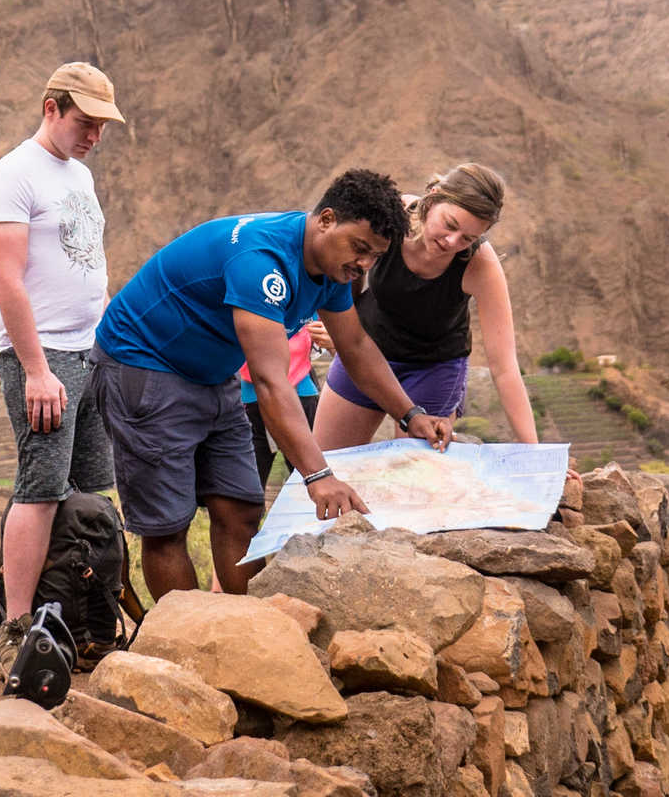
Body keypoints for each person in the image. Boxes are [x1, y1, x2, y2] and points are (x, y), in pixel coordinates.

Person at [87, 169, 455, 598]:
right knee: (169, 526)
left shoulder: (333, 270)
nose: (364, 265)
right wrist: (317, 474)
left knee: (240, 511)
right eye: (359, 249)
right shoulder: (261, 260)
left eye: (374, 256)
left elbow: (354, 345)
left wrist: (410, 414)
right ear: (326, 220)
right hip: (144, 367)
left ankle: (243, 629)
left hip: (211, 373)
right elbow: (269, 380)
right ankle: (184, 644)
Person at [0, 63, 124, 675]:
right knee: (40, 489)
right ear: (51, 107)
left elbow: (89, 259)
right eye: (84, 121)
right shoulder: (14, 173)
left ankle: (78, 613)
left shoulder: (81, 175)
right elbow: (5, 278)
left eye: (100, 125)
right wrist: (38, 369)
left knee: (89, 488)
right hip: (42, 354)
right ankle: (19, 626)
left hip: (89, 349)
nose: (93, 134)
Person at [313, 163, 539, 449]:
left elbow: (504, 366)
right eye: (450, 225)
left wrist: (534, 451)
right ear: (432, 199)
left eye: (468, 238)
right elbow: (350, 269)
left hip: (433, 368)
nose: (452, 241)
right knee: (327, 461)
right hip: (367, 350)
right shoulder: (394, 217)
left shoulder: (480, 264)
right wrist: (344, 330)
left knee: (413, 474)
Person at [236, 321, 332, 486]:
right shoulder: (305, 306)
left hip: (290, 394)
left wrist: (330, 341)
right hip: (259, 397)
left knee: (311, 473)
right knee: (249, 484)